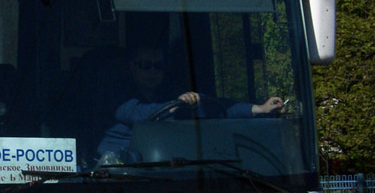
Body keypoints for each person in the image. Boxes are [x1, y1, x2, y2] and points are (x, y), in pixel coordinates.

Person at [95, 45, 283, 163]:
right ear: (132, 67)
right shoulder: (118, 92)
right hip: (116, 166)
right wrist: (175, 105)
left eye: (158, 66)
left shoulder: (170, 91)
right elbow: (138, 114)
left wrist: (259, 109)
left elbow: (215, 108)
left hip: (161, 163)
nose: (152, 71)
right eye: (145, 65)